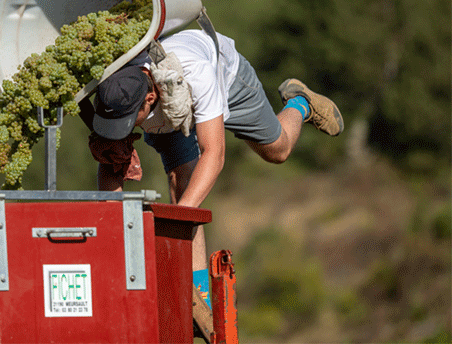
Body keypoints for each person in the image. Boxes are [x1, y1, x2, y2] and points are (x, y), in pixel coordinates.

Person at [88, 28, 343, 306]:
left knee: (277, 150)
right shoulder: (114, 90)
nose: (119, 130)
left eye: (125, 124)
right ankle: (198, 301)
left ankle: (300, 102)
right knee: (183, 183)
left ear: (149, 99)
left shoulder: (196, 74)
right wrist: (114, 242)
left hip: (226, 78)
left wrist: (177, 224)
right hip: (167, 113)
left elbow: (214, 154)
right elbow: (110, 174)